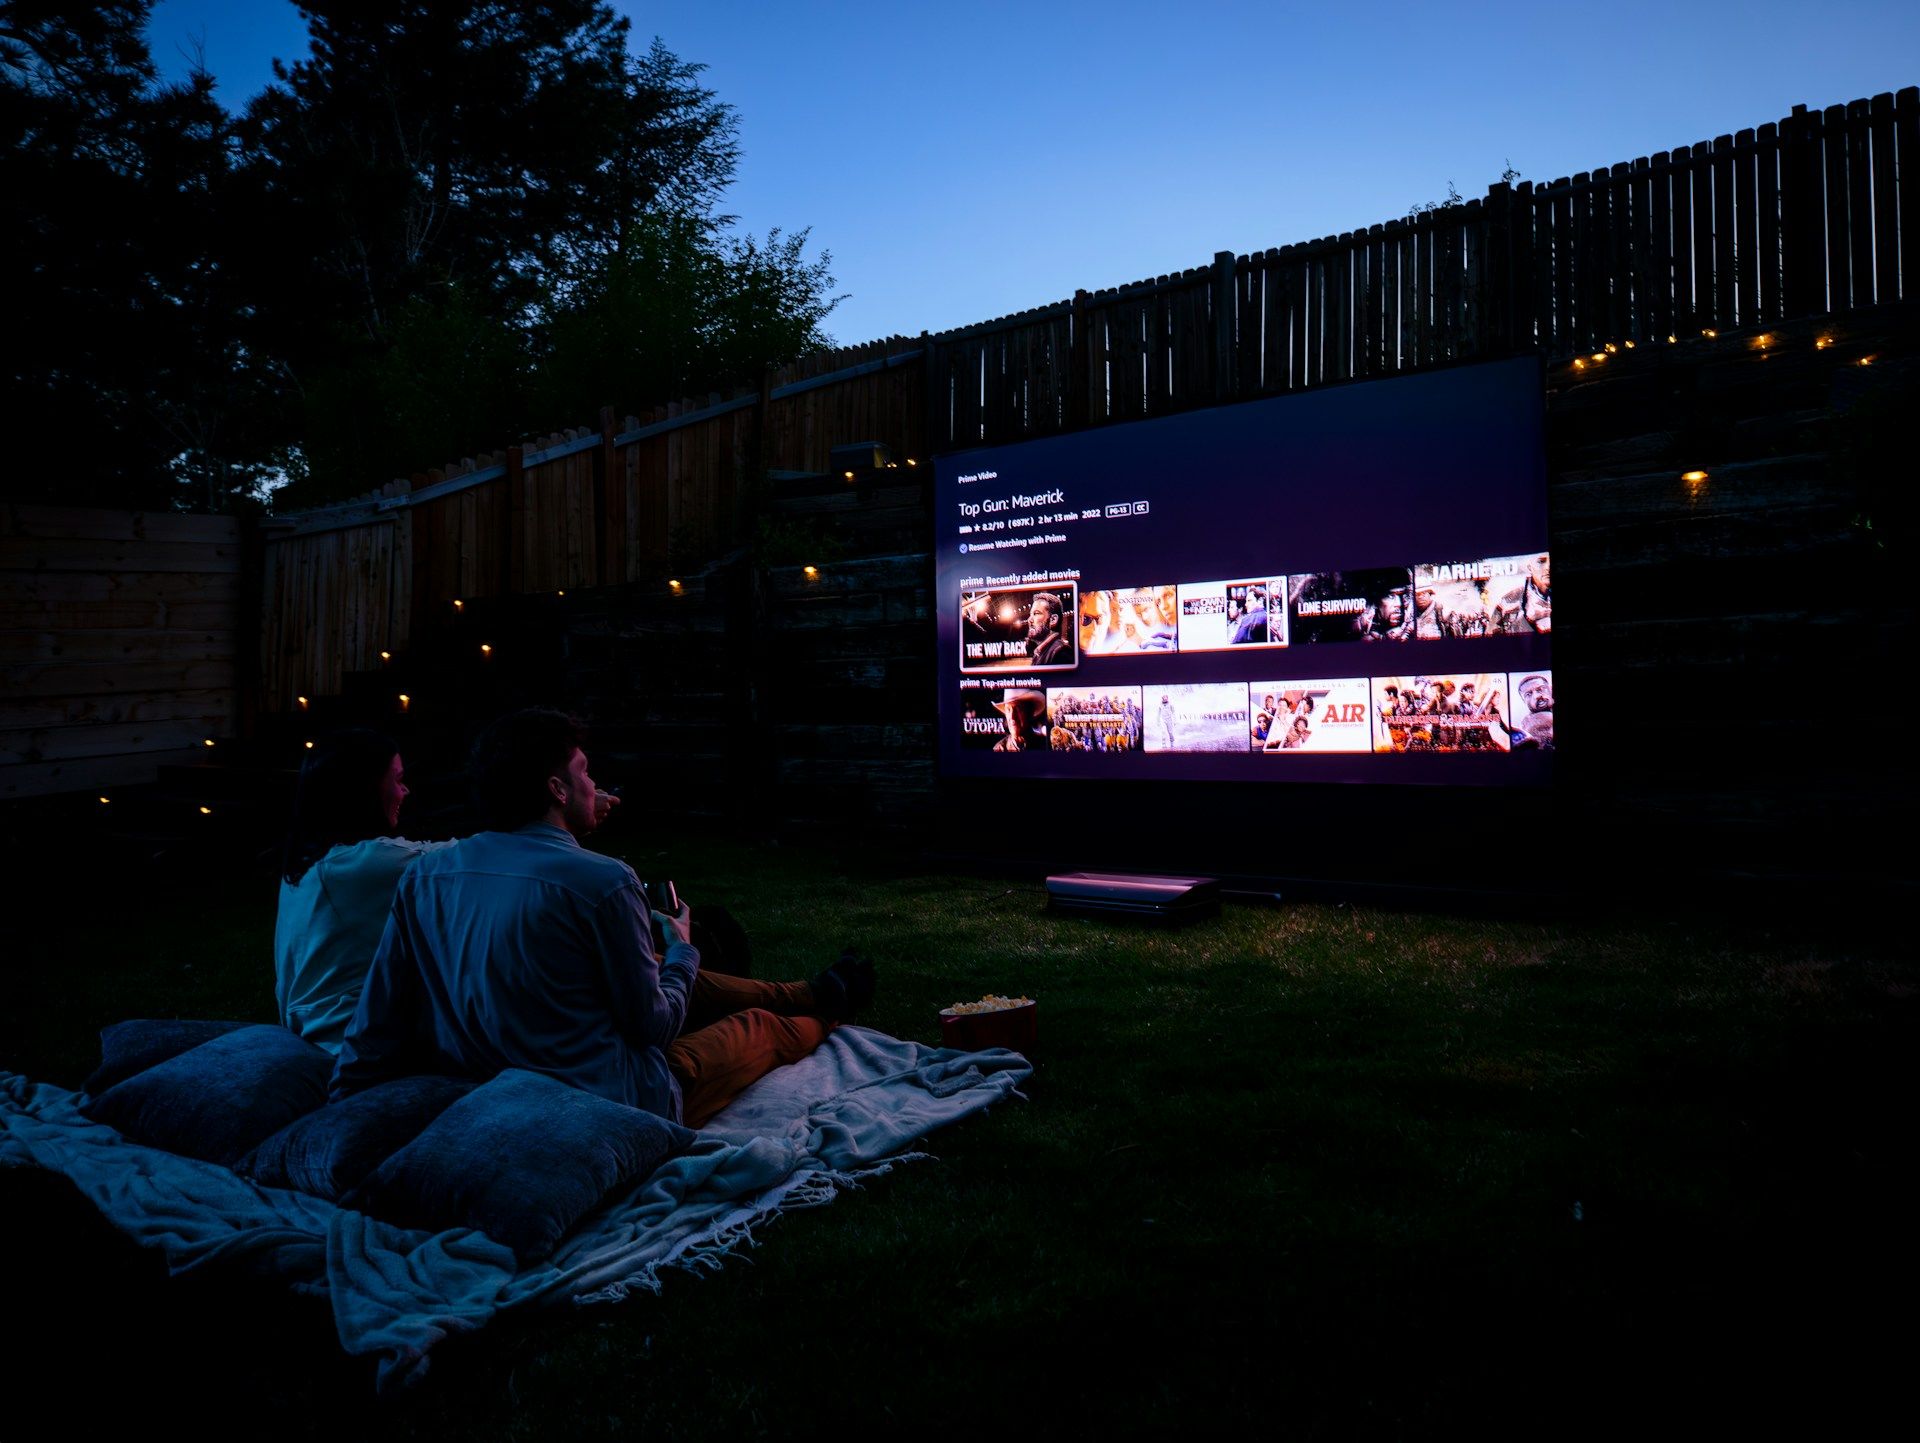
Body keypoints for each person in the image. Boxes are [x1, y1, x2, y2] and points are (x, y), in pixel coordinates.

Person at [331, 709, 875, 1128]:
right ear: (557, 788)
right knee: (755, 1028)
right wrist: (684, 949)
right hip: (615, 1099)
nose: (596, 785)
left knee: (671, 971)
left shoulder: (426, 877)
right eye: (585, 772)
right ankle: (829, 1016)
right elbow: (653, 1027)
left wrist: (340, 1103)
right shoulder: (603, 881)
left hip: (487, 1085)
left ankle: (810, 990)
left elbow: (376, 1018)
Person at [274, 731, 458, 1055]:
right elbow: (472, 859)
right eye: (398, 779)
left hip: (309, 1028)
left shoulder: (308, 864)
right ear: (366, 787)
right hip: (345, 1040)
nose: (405, 790)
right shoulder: (361, 866)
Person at [1027, 591, 1069, 664]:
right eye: (1030, 614)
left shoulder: (1061, 652)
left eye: (1036, 613)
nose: (1029, 620)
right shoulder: (1040, 652)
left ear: (1053, 620)